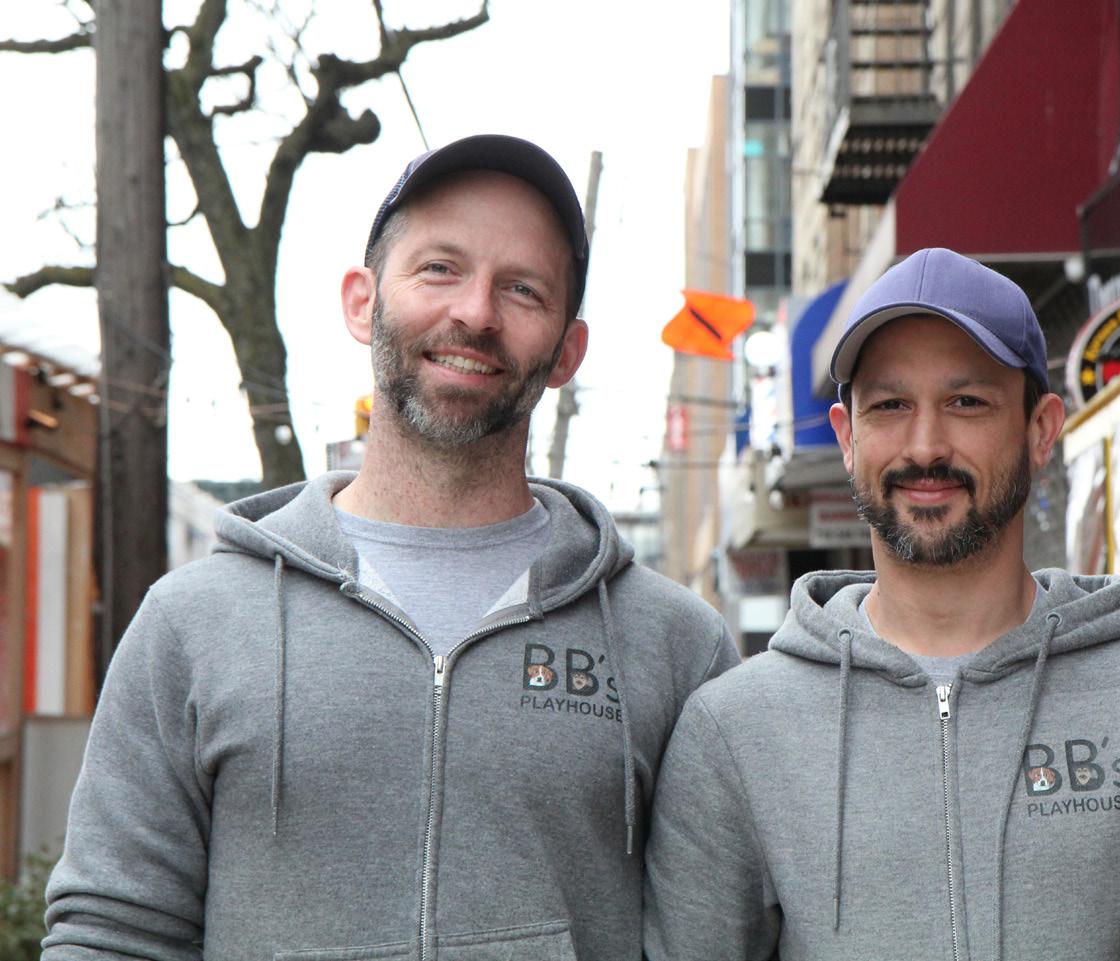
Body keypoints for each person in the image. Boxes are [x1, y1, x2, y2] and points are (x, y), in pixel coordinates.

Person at [44, 134, 738, 961]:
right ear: (361, 301)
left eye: (522, 288)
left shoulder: (676, 646)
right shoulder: (193, 623)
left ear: (567, 352)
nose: (475, 312)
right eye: (440, 268)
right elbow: (114, 931)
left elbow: (716, 940)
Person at [644, 247, 1120, 961]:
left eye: (967, 402)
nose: (926, 446)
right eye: (890, 405)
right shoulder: (735, 732)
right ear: (847, 436)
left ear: (1040, 429)